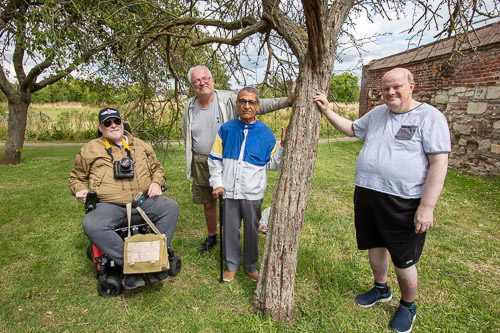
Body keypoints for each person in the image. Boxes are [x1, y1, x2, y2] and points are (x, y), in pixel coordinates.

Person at [313, 68, 450, 333]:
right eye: (386, 88)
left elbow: (439, 163)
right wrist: (328, 111)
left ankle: (408, 306)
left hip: (403, 201)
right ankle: (380, 289)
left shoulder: (430, 117)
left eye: (396, 87)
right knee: (374, 246)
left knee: (403, 258)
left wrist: (427, 207)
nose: (390, 93)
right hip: (367, 194)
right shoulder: (378, 113)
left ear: (412, 86)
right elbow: (353, 129)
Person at [182, 65, 294, 254]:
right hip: (201, 160)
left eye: (205, 79)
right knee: (208, 202)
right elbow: (186, 132)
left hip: (228, 158)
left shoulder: (228, 99)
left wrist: (288, 101)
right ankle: (212, 237)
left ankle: (233, 238)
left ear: (212, 80)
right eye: (196, 81)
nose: (202, 83)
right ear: (192, 86)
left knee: (228, 199)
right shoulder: (189, 106)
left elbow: (259, 104)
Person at [69, 107, 179, 290]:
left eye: (116, 121)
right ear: (101, 127)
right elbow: (76, 177)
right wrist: (79, 190)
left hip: (143, 200)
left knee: (171, 207)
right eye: (107, 123)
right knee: (92, 225)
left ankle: (155, 257)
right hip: (109, 204)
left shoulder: (141, 145)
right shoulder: (90, 150)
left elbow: (158, 169)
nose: (113, 126)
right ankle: (131, 264)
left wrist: (156, 183)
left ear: (122, 122)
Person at [208, 87, 286, 282]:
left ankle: (251, 266)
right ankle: (232, 265)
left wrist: (283, 146)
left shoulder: (266, 133)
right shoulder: (226, 129)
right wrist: (217, 184)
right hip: (229, 191)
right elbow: (215, 160)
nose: (246, 106)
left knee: (252, 231)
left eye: (251, 102)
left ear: (257, 107)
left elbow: (274, 164)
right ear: (237, 104)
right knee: (230, 229)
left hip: (252, 192)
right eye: (242, 101)